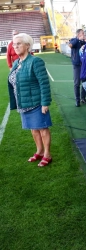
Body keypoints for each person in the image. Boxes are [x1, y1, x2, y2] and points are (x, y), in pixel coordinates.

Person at [8, 33, 52, 167]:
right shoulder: (17, 62)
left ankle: (47, 154)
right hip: (24, 103)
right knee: (33, 129)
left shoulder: (35, 61)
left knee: (42, 129)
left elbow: (44, 83)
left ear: (27, 46)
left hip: (37, 102)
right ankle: (39, 151)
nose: (15, 47)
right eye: (14, 44)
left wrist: (45, 103)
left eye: (18, 44)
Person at [69, 29, 86, 107]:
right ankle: (77, 100)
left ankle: (83, 98)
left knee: (85, 82)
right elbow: (70, 45)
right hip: (77, 65)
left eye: (84, 33)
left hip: (84, 64)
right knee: (77, 83)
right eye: (82, 33)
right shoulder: (74, 40)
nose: (84, 34)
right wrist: (78, 39)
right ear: (78, 34)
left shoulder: (84, 41)